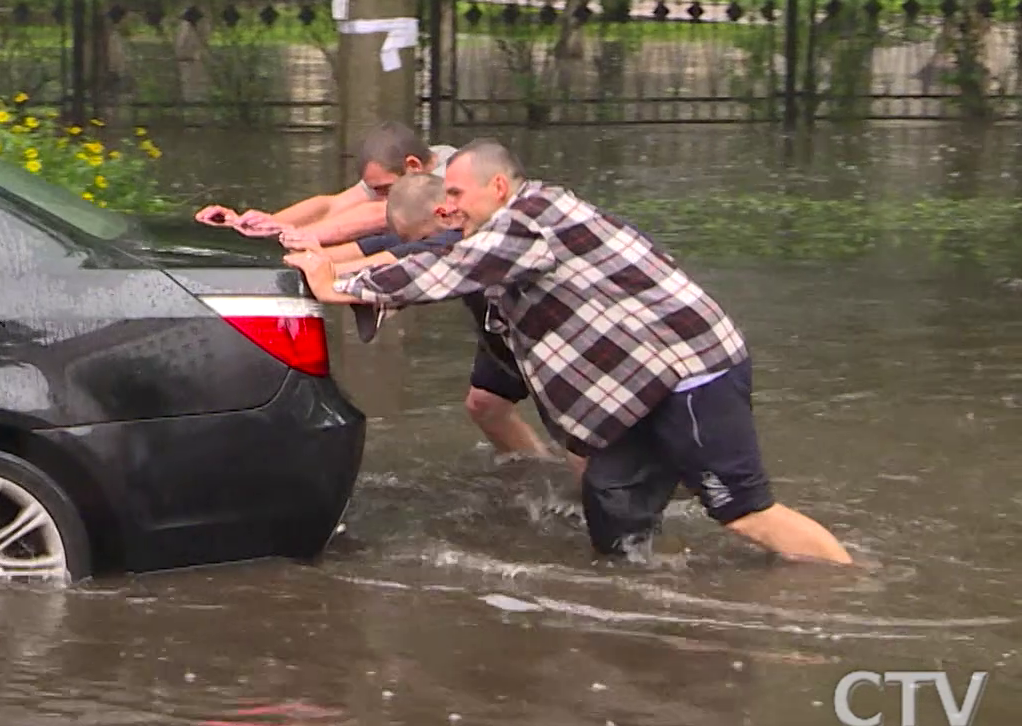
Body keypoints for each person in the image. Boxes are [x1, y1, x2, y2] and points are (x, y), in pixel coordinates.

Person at [285, 140, 854, 565]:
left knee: (744, 514)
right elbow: (429, 255)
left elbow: (449, 268)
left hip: (691, 374)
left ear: (498, 188)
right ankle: (655, 601)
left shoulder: (531, 221)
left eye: (456, 193)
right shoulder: (505, 229)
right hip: (642, 386)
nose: (447, 205)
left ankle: (843, 585)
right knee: (610, 503)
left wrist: (337, 283)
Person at [317, 172, 569, 466]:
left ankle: (586, 499)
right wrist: (311, 251)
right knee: (485, 405)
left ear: (443, 215)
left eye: (419, 238)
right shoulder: (431, 229)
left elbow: (414, 256)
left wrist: (327, 275)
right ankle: (540, 471)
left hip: (544, 333)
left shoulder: (464, 235)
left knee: (578, 432)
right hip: (498, 331)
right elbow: (389, 248)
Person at [195, 122, 451, 245]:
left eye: (386, 189)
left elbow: (379, 214)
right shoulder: (413, 167)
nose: (383, 196)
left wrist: (298, 236)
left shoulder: (448, 174)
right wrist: (262, 226)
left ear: (413, 166)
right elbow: (332, 205)